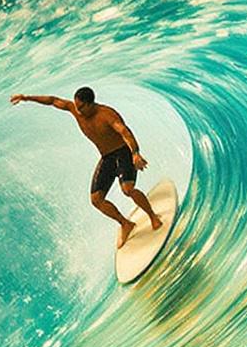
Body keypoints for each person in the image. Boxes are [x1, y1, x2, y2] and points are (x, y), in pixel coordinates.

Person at [9, 86, 163, 246]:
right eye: (76, 106)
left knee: (128, 190)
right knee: (96, 200)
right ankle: (125, 224)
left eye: (81, 107)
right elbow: (53, 100)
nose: (78, 110)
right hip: (107, 157)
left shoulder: (106, 114)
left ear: (91, 104)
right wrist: (26, 98)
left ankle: (152, 216)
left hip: (123, 152)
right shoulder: (75, 110)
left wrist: (135, 153)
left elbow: (124, 132)